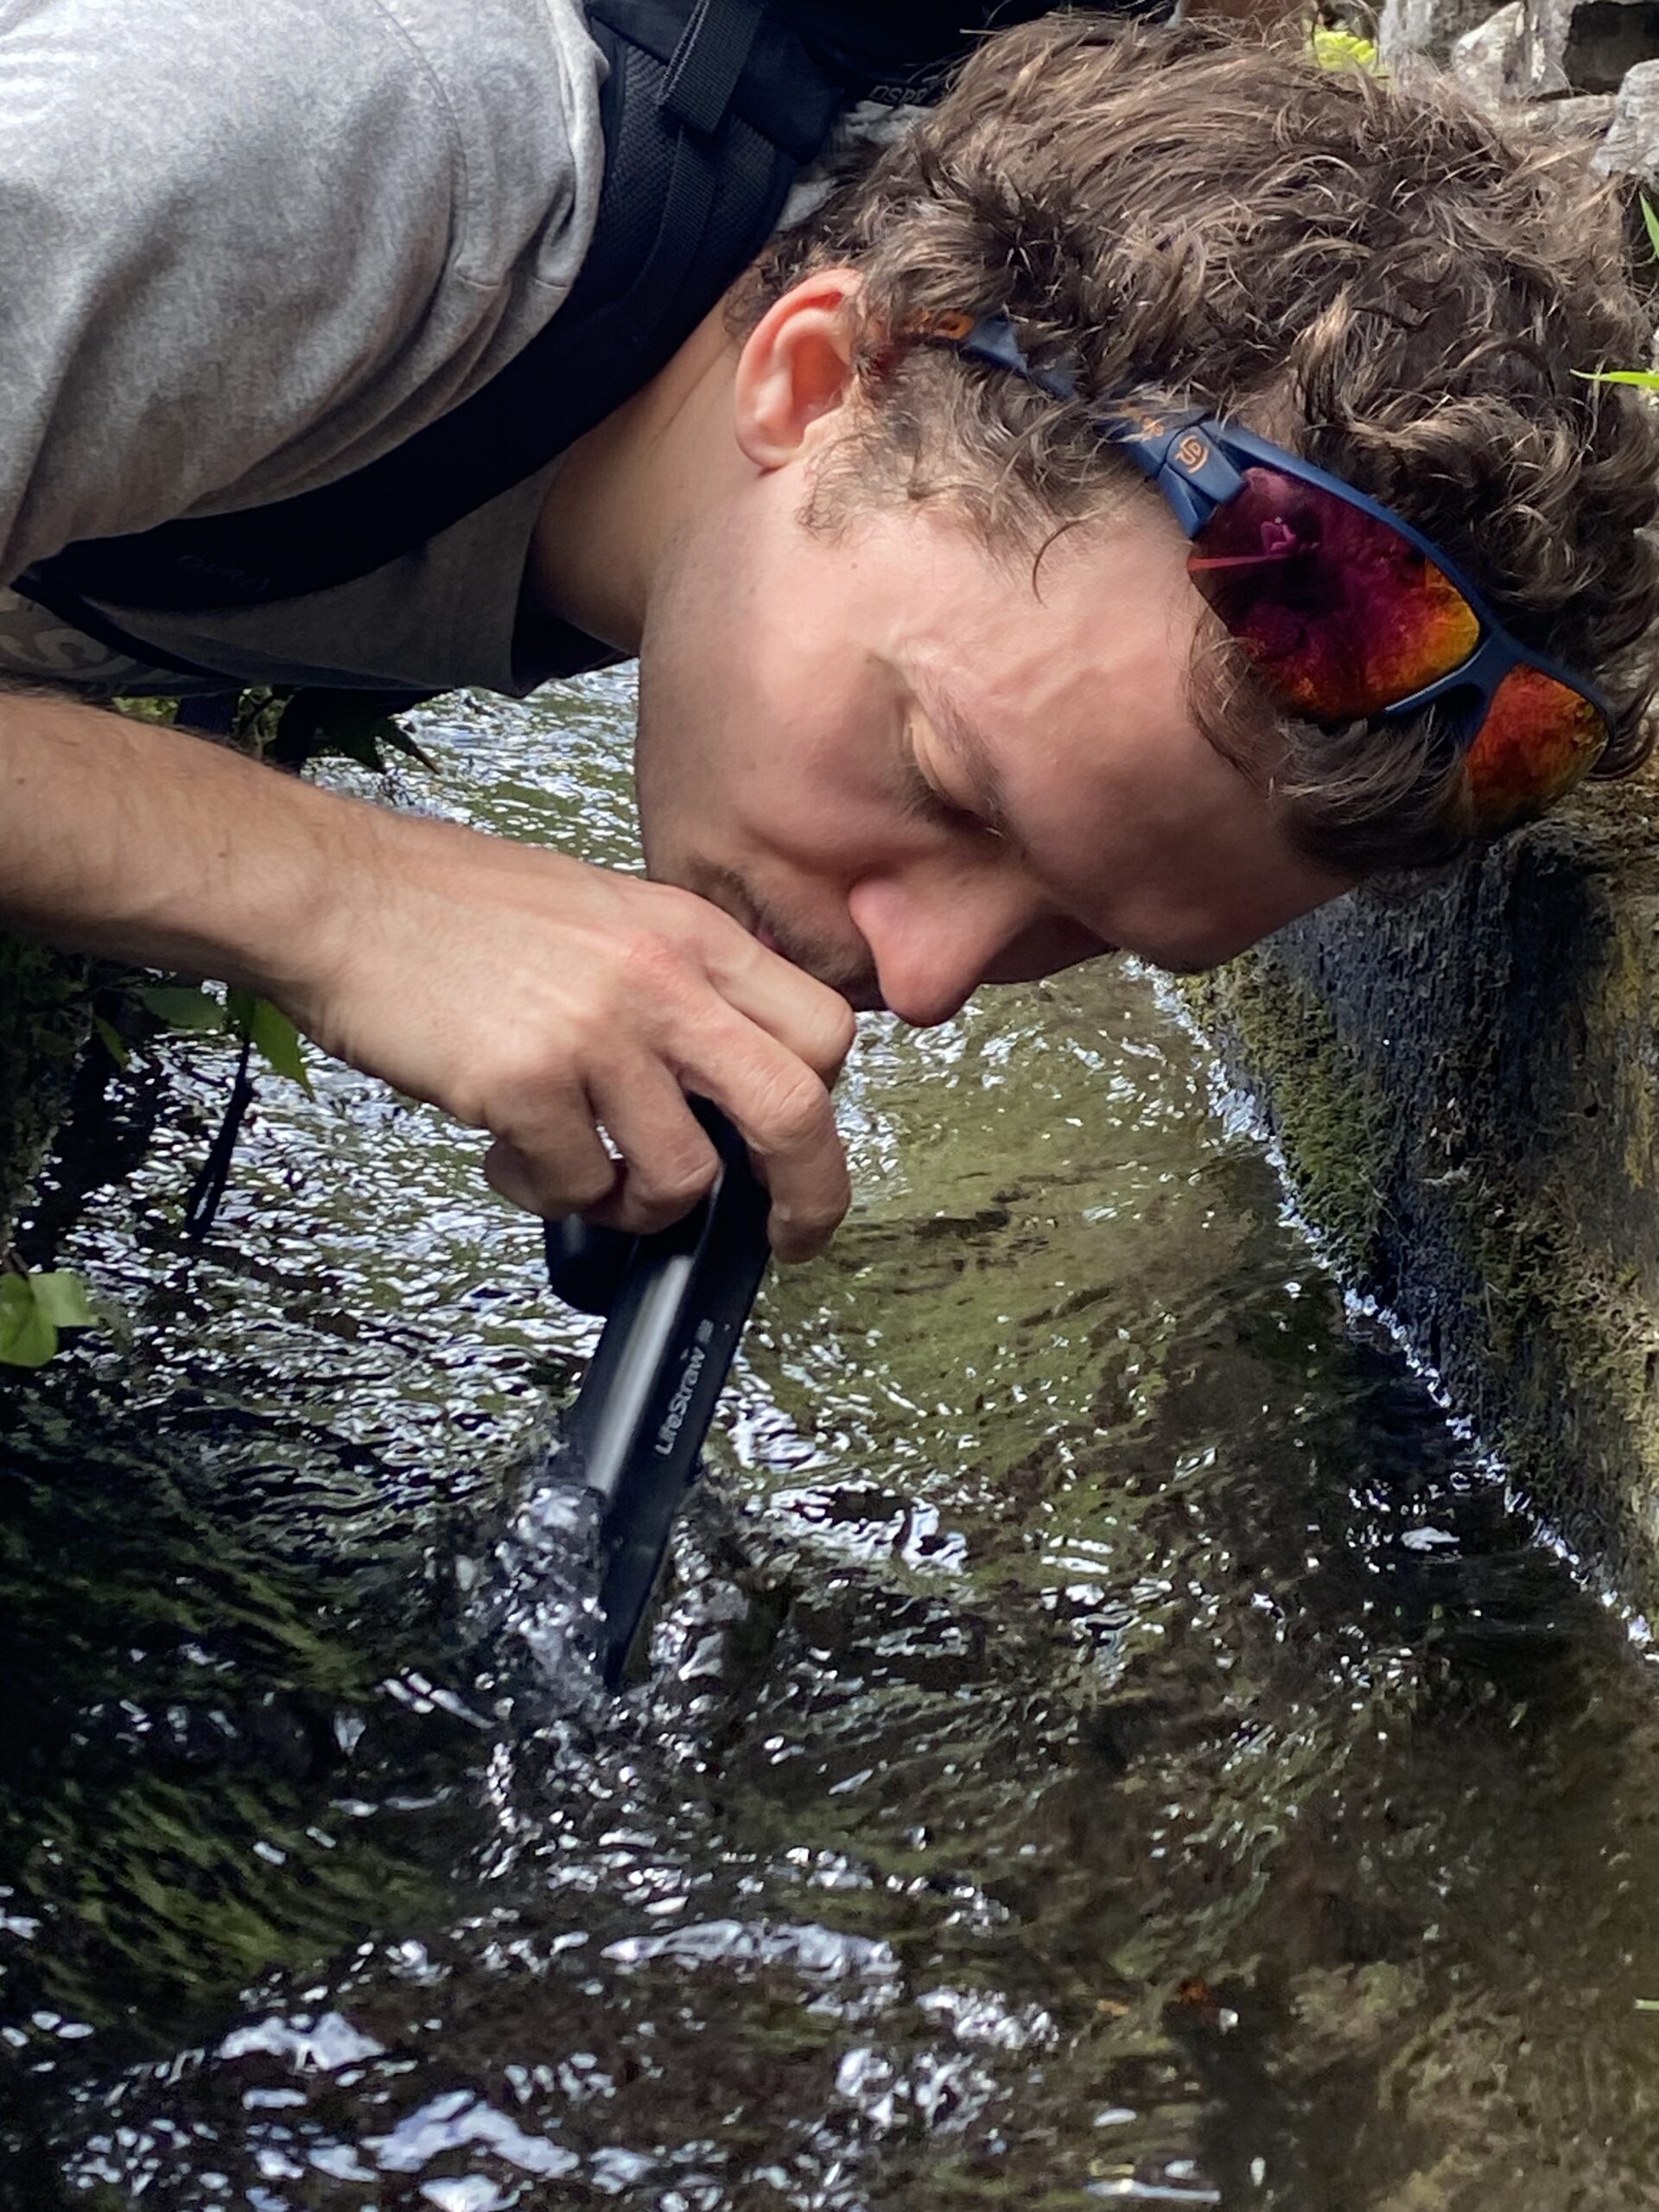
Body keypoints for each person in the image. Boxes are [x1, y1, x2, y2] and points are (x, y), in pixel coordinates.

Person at [0, 2, 1654, 1263]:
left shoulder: (701, 516)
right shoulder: (301, 176)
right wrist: (333, 894)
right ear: (815, 382)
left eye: (1081, 931)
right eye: (951, 784)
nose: (924, 988)